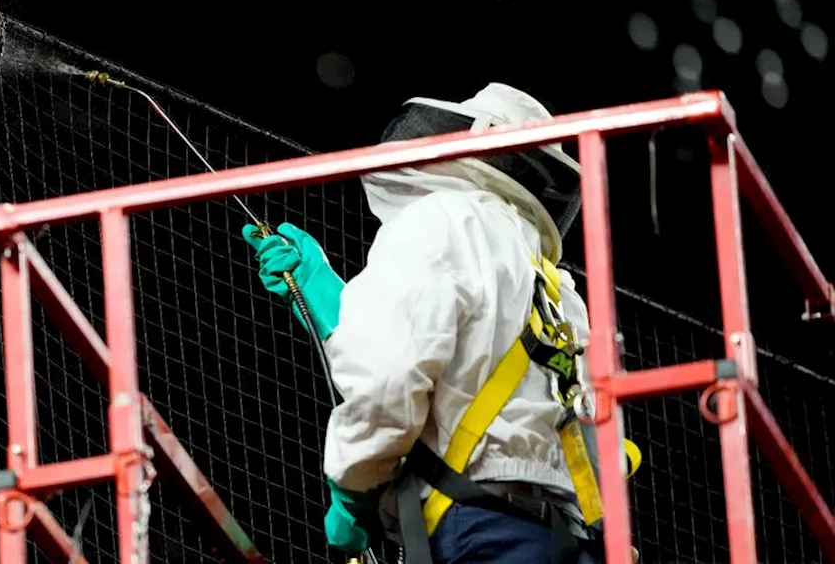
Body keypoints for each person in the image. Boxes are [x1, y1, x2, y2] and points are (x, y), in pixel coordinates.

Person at [243, 83, 635, 564]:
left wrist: (353, 491)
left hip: (478, 529)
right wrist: (327, 301)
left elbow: (389, 376)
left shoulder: (442, 219)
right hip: (567, 539)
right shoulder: (558, 291)